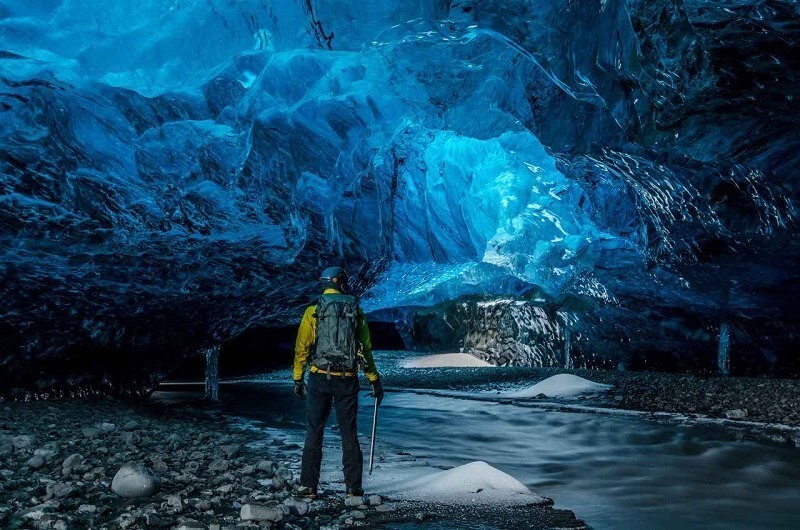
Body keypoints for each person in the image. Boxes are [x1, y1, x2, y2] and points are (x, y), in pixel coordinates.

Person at [292, 266, 384, 499]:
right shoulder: (356, 310)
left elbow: (301, 349)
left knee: (314, 431)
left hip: (319, 377)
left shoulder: (313, 311)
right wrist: (374, 380)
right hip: (347, 379)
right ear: (340, 282)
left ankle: (309, 487)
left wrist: (297, 378)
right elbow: (365, 350)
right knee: (349, 433)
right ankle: (353, 488)